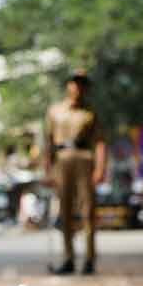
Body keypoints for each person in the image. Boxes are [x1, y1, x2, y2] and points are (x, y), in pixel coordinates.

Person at [44, 71, 107, 275]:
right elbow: (48, 143)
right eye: (75, 83)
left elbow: (100, 142)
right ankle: (68, 258)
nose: (78, 88)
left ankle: (89, 258)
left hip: (84, 159)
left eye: (82, 84)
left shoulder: (90, 113)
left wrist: (100, 168)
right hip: (62, 161)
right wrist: (48, 170)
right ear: (68, 85)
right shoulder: (55, 111)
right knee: (65, 212)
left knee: (88, 211)